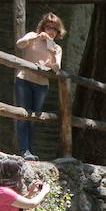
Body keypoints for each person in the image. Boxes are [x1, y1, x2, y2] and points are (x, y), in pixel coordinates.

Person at [13, 12, 65, 160]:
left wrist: (53, 54)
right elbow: (20, 44)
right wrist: (37, 37)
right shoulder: (32, 36)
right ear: (43, 27)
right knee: (23, 115)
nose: (51, 31)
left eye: (54, 29)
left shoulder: (56, 48)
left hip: (41, 85)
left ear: (58, 32)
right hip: (24, 80)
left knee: (34, 117)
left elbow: (56, 68)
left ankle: (29, 149)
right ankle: (24, 150)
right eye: (48, 27)